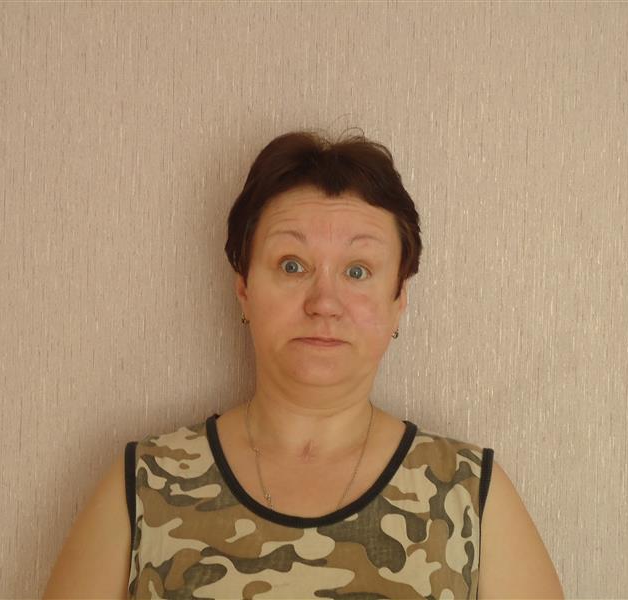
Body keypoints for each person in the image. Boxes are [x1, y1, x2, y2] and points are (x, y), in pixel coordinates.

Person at [44, 130, 564, 599]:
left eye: (357, 271)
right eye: (292, 265)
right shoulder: (145, 485)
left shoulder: (468, 495)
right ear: (244, 289)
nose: (324, 302)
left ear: (398, 300)